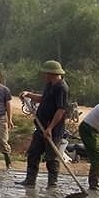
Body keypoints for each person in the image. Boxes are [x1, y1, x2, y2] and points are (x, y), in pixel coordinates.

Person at [17, 60, 69, 188]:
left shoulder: (62, 88)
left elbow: (61, 110)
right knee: (34, 152)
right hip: (41, 126)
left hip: (53, 129)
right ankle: (30, 180)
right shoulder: (49, 85)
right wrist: (28, 95)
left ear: (52, 73)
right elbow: (43, 98)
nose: (44, 76)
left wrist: (50, 128)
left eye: (46, 73)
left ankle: (52, 183)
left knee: (51, 157)